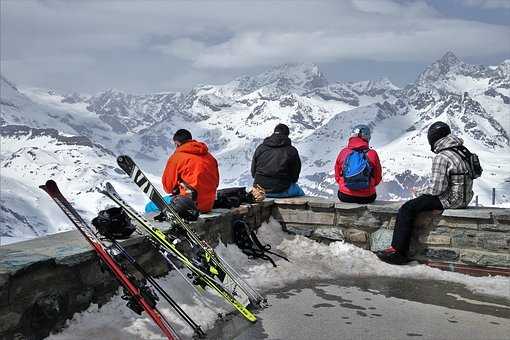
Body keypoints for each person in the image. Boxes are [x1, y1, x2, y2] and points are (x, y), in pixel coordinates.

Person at [377, 121, 474, 265]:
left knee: (407, 208)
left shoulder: (443, 157)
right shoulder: (463, 151)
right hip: (466, 198)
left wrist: (419, 192)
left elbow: (436, 189)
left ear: (433, 138)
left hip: (450, 199)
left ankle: (398, 252)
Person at [147, 129, 219, 213]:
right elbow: (216, 182)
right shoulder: (209, 157)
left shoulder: (176, 158)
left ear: (177, 143)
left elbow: (168, 187)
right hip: (208, 204)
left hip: (188, 205)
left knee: (149, 207)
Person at [251, 123, 304, 198]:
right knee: (300, 193)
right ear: (287, 135)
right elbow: (294, 177)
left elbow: (253, 172)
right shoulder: (292, 151)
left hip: (259, 191)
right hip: (281, 190)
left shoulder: (260, 148)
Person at [334, 125, 382, 204]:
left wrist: (345, 184)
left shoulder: (343, 152)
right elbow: (377, 178)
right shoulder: (372, 154)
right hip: (367, 197)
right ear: (367, 138)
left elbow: (337, 176)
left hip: (345, 195)